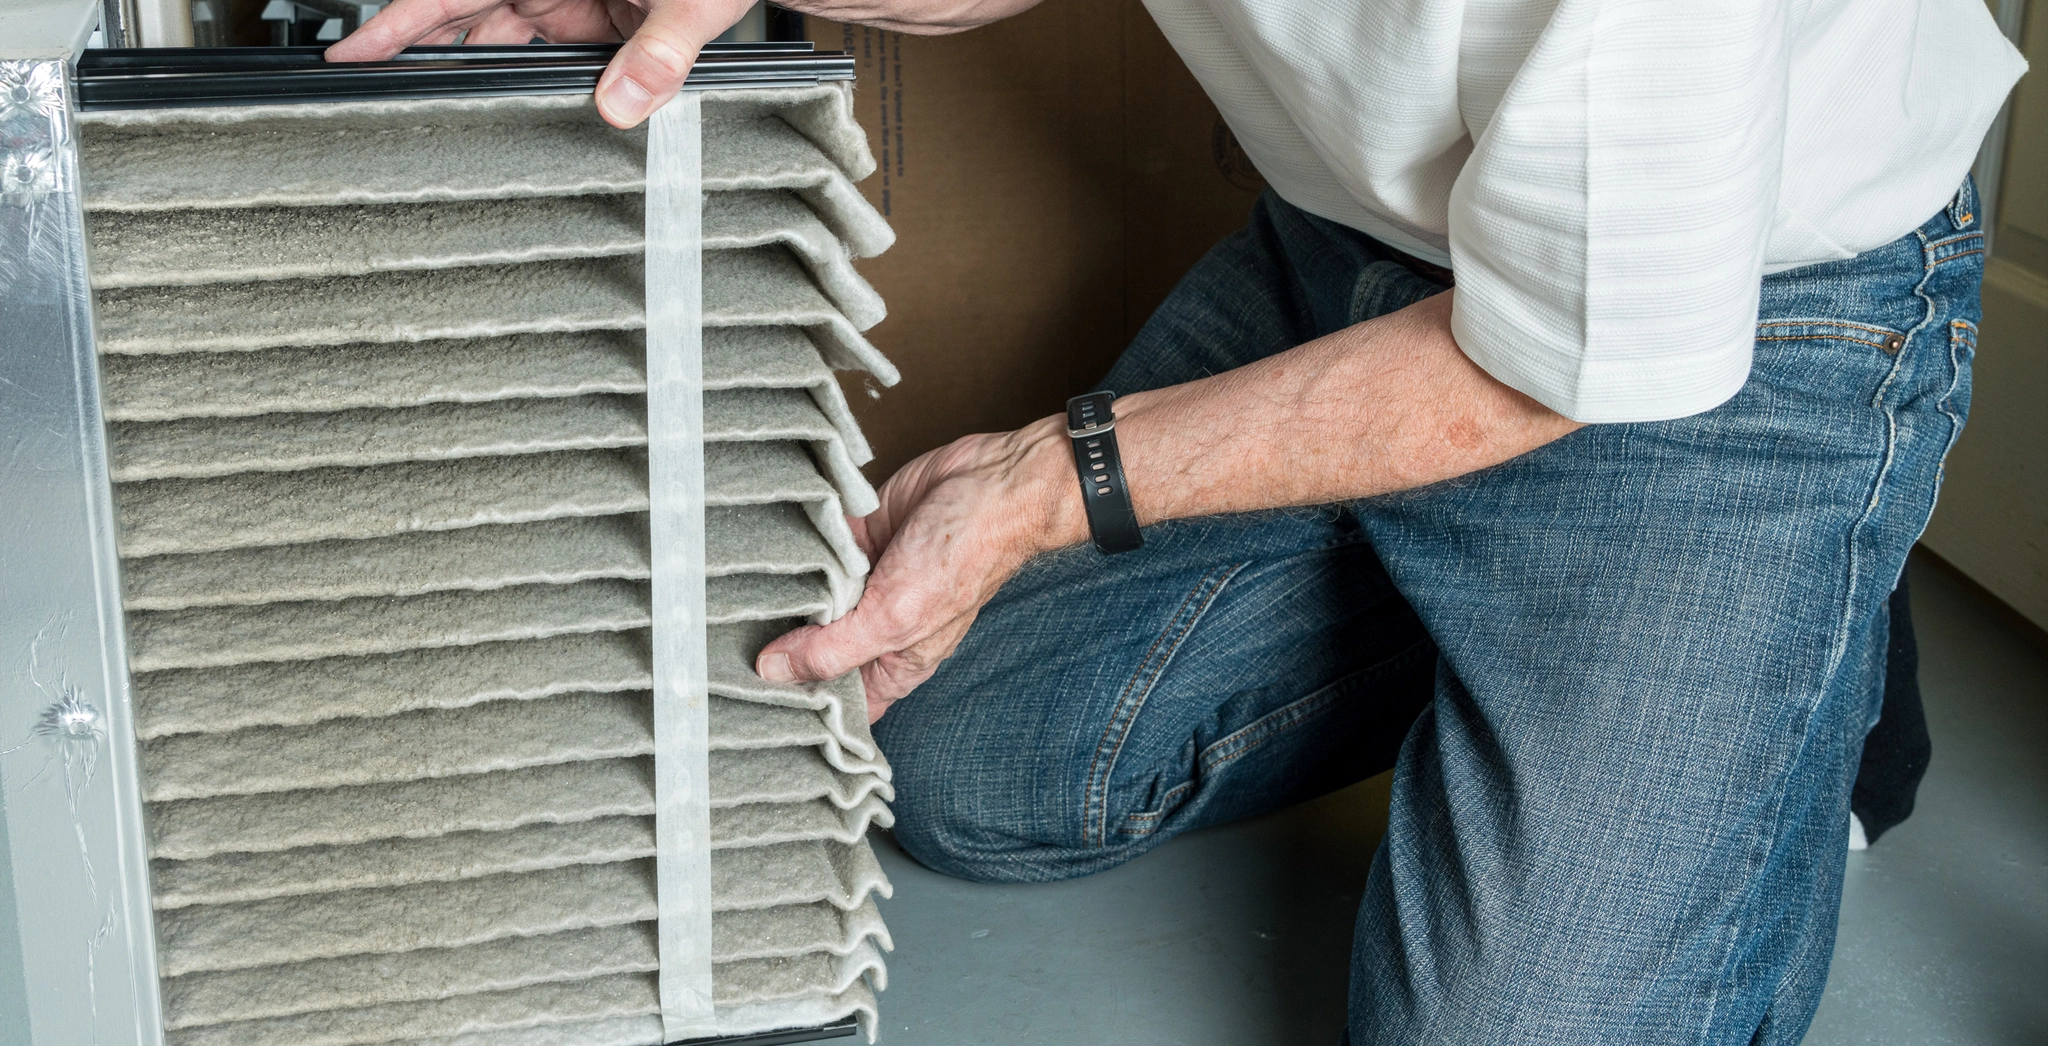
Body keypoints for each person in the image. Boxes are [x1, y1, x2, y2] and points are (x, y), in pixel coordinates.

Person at [337, 2, 2022, 1040]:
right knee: (966, 769)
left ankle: (1798, 631)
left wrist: (1040, 480)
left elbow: (1565, 349)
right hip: (1349, 251)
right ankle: (1562, 631)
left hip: (1722, 326)